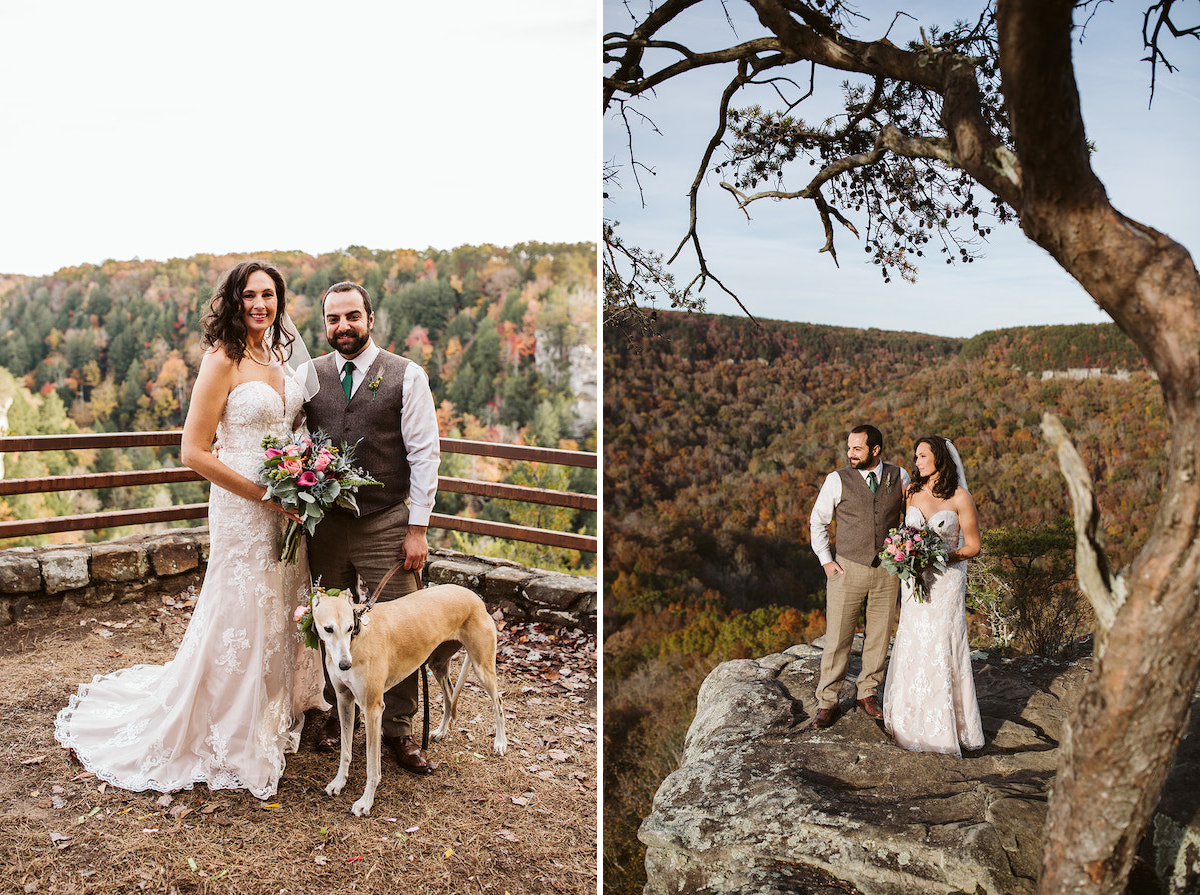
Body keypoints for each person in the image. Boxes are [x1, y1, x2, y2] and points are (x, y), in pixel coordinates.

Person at [54, 260, 327, 798]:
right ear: (233, 300)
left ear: (280, 300)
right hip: (243, 505)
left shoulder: (279, 353)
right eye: (249, 295)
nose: (259, 305)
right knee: (239, 606)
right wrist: (264, 493)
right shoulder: (221, 359)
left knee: (280, 602)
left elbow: (295, 426)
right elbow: (192, 451)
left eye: (268, 295)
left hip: (288, 504)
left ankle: (277, 708)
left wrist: (304, 478)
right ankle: (229, 726)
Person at [302, 281, 441, 775]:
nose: (343, 327)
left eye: (352, 316)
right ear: (326, 324)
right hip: (326, 527)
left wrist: (418, 527)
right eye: (334, 319)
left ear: (371, 318)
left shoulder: (407, 376)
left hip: (386, 521)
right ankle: (333, 710)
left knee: (402, 625)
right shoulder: (309, 376)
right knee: (328, 623)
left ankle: (399, 731)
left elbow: (425, 454)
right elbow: (288, 435)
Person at [882, 435, 985, 755]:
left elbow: (973, 546)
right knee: (914, 639)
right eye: (916, 457)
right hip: (914, 581)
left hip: (945, 582)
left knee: (942, 642)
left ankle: (948, 728)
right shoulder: (911, 492)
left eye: (923, 456)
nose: (917, 462)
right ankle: (907, 721)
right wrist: (904, 554)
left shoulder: (960, 498)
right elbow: (904, 533)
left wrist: (941, 558)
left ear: (939, 459)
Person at [809, 424, 910, 729]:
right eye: (849, 448)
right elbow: (818, 522)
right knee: (839, 637)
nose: (850, 454)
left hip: (887, 571)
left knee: (879, 636)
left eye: (857, 449)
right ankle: (827, 701)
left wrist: (904, 551)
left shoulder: (899, 475)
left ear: (875, 450)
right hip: (847, 568)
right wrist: (827, 562)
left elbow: (912, 516)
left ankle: (868, 693)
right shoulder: (836, 480)